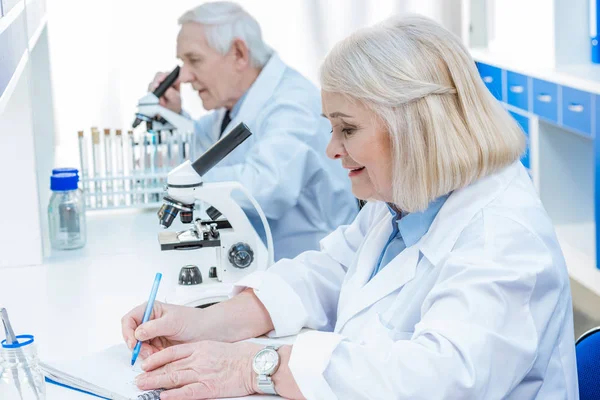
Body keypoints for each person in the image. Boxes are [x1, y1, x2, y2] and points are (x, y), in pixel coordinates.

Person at [122, 15, 578, 399]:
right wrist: (204, 322)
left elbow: (436, 378)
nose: (331, 150)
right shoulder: (404, 196)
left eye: (347, 129)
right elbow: (328, 272)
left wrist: (256, 366)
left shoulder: (504, 237)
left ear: (414, 128)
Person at [150, 1, 357, 260]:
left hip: (311, 267)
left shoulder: (293, 103)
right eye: (183, 63)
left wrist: (181, 183)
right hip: (260, 262)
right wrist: (173, 116)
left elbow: (266, 188)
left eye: (194, 60)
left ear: (238, 53)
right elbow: (198, 153)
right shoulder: (231, 107)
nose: (186, 76)